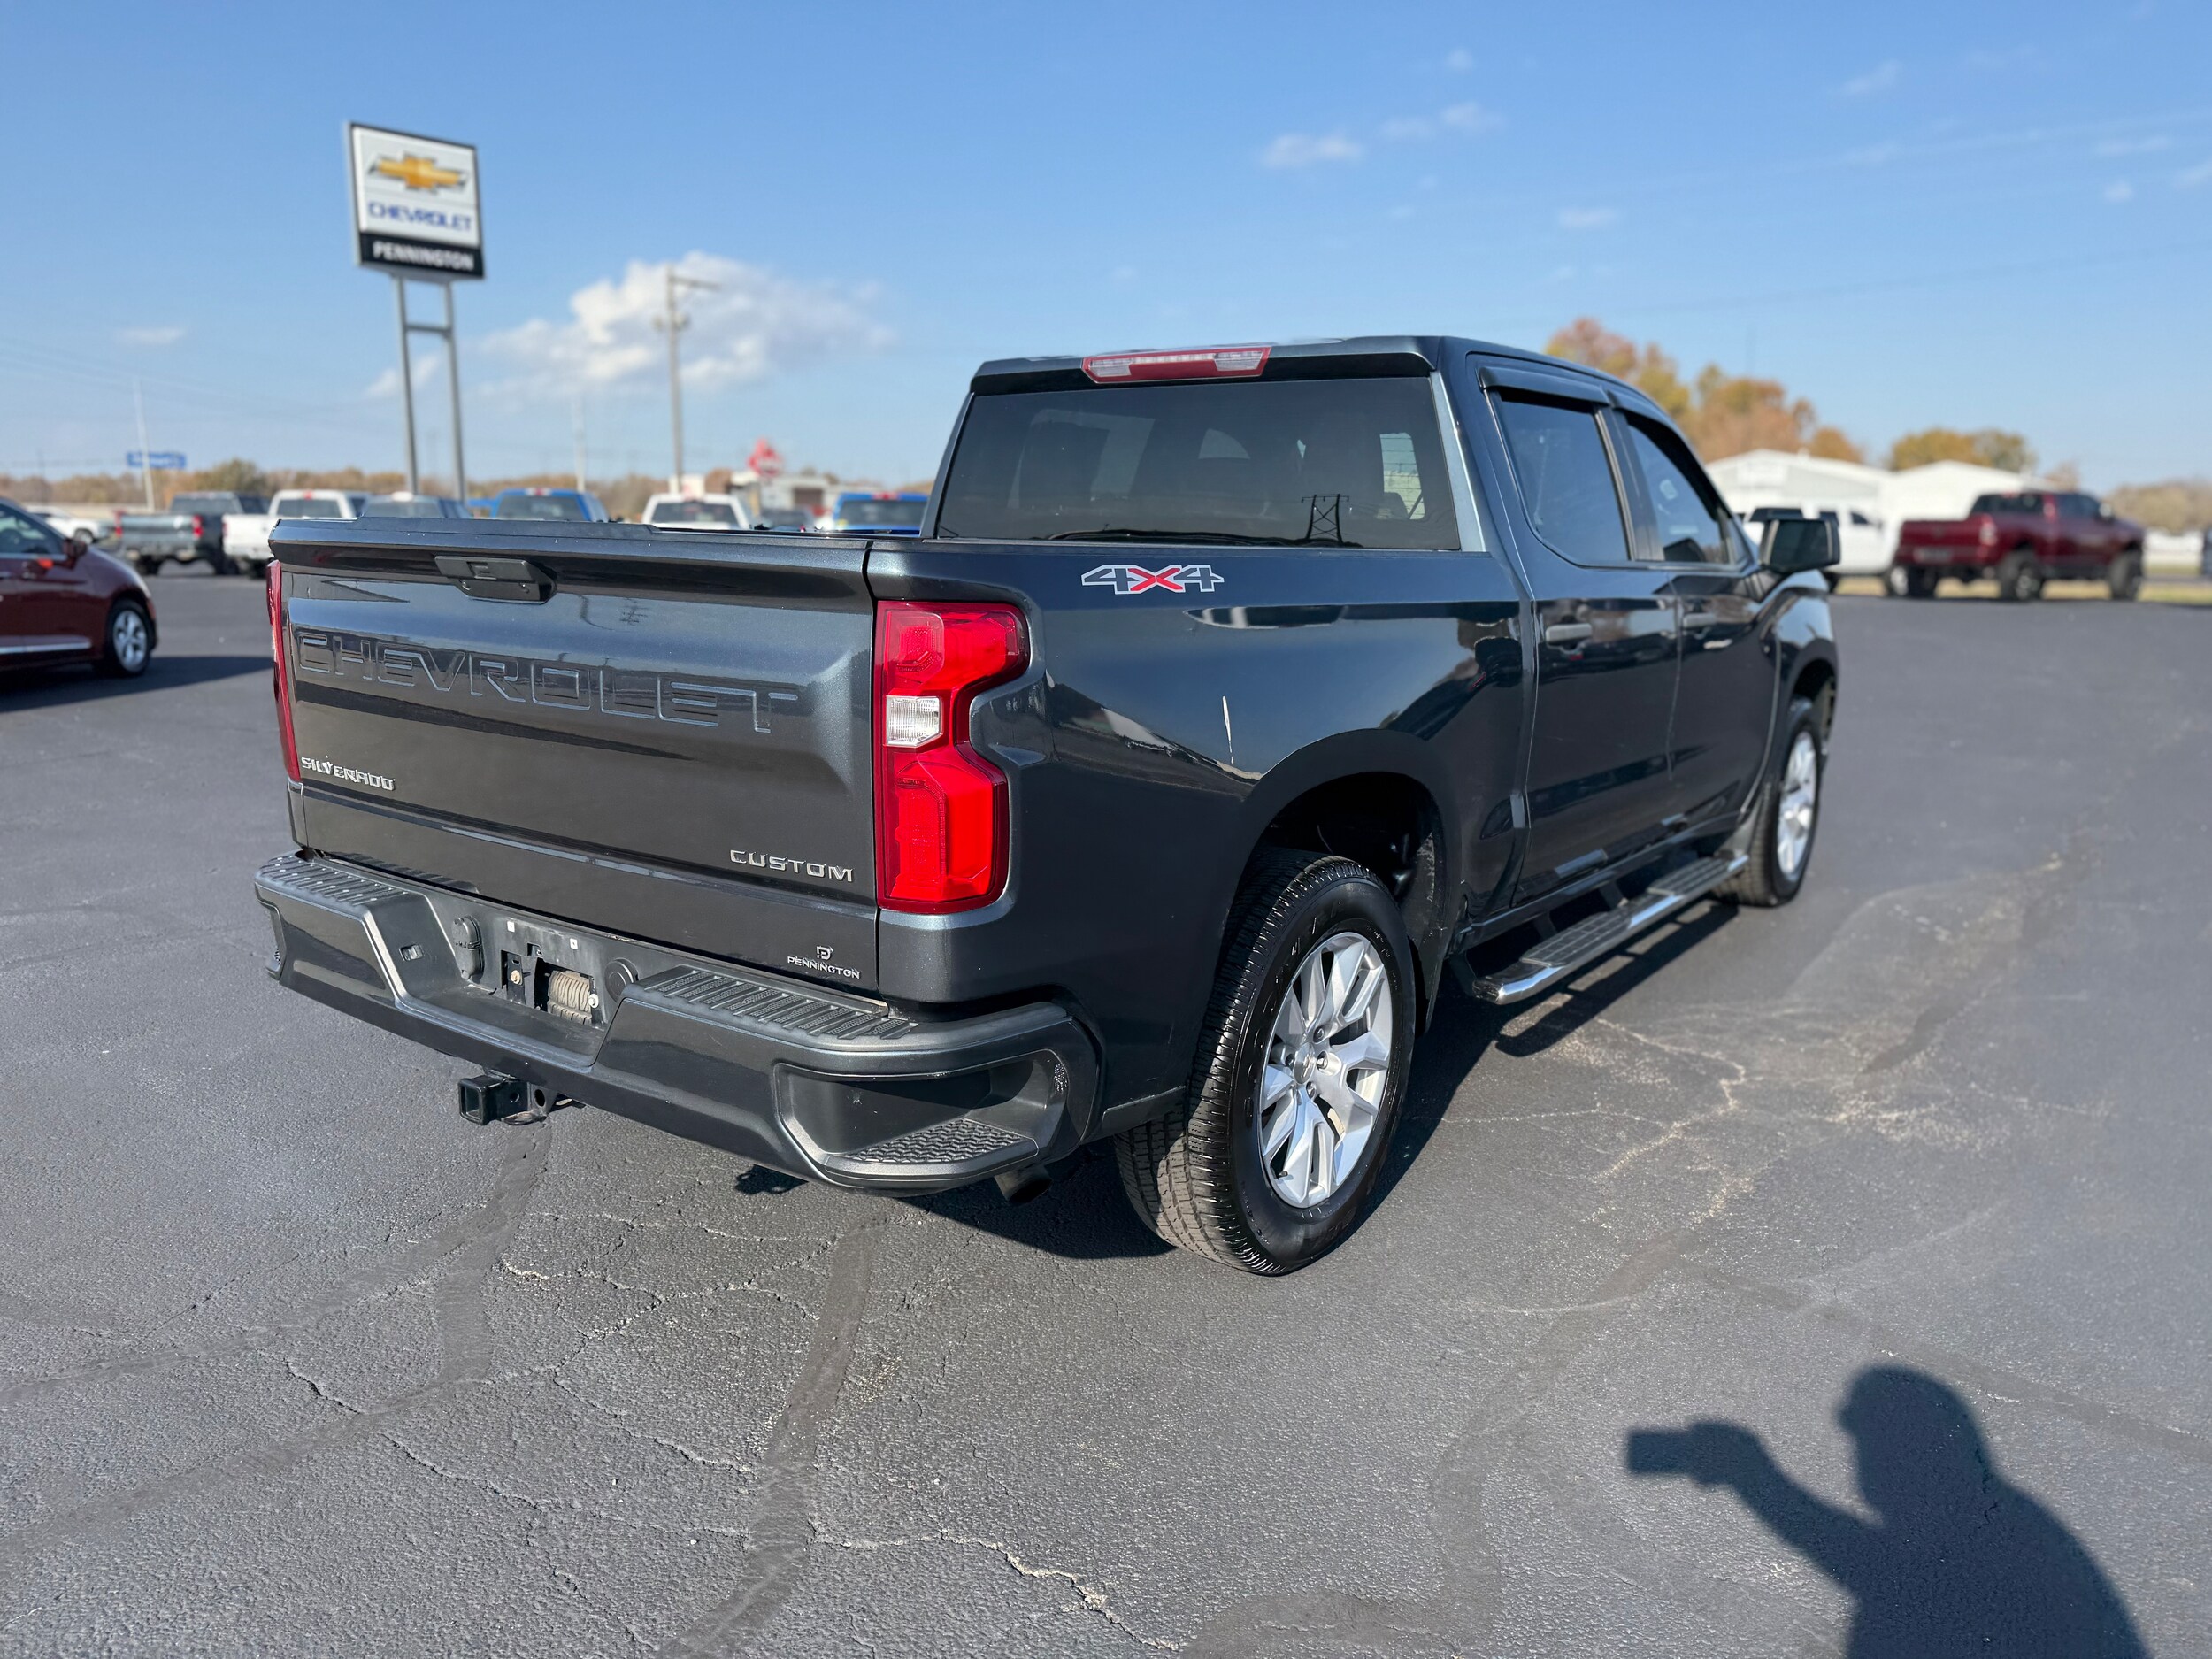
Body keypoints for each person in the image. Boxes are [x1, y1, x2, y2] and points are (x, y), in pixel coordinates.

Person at [1627, 1367, 2146, 1658]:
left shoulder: (1996, 1543)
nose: (1859, 1457)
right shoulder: (1994, 1524)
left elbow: (1884, 1573)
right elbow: (1883, 1568)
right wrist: (1757, 1479)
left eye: (1868, 1440)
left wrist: (1758, 1480)